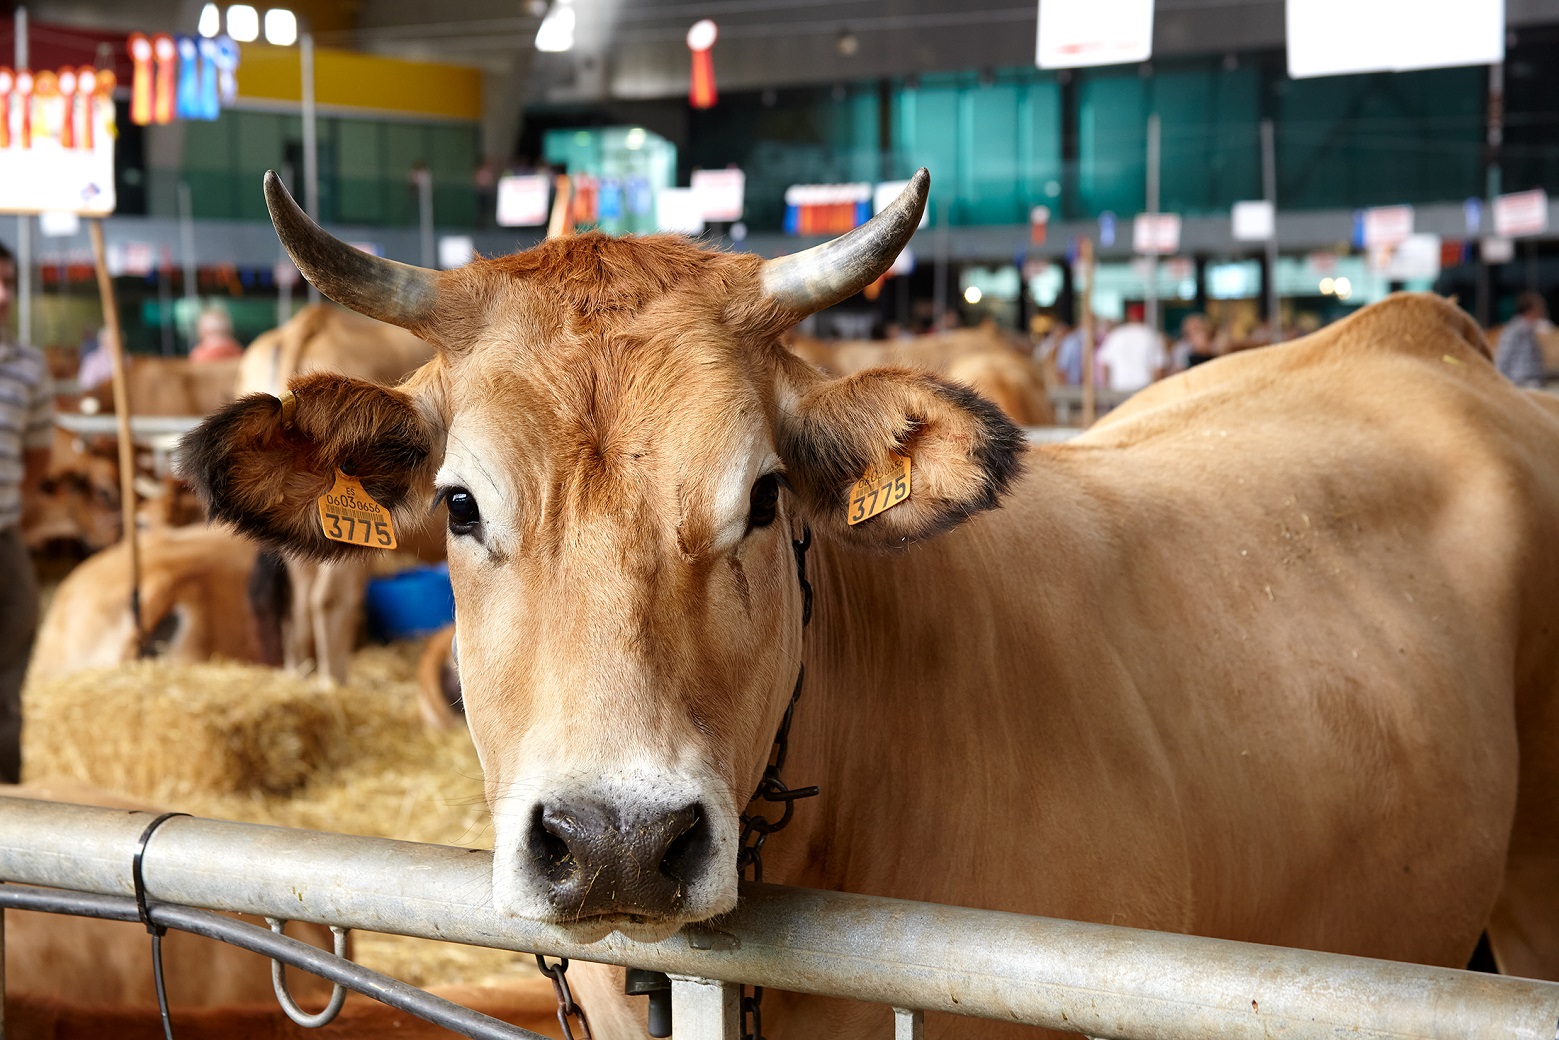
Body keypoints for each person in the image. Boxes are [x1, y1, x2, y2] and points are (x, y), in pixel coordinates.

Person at [0, 241, 53, 783]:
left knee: (7, 681)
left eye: (9, 282)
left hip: (3, 539)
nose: (1, 294)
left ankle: (7, 820)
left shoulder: (27, 366)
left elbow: (37, 458)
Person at [1096, 303, 1166, 392]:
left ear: (1128, 316)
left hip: (1119, 388)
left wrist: (1107, 386)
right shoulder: (1152, 336)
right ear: (1144, 317)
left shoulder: (1116, 335)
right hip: (1144, 389)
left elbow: (1104, 363)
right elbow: (1159, 368)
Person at [1495, 292, 1549, 389]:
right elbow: (1502, 359)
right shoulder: (1514, 330)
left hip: (1531, 383)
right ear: (1530, 310)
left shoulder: (1531, 330)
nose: (1542, 310)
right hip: (1520, 384)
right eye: (1539, 306)